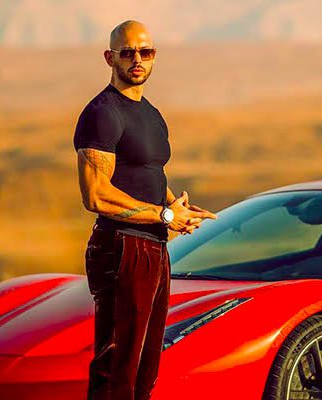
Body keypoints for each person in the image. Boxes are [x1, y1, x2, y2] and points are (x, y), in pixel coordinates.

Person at [73, 20, 217, 400]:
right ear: (110, 58)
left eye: (146, 52)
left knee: (145, 367)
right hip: (122, 246)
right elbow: (96, 195)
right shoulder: (102, 113)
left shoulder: (151, 113)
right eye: (128, 52)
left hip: (154, 246)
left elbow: (148, 172)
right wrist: (164, 216)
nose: (137, 60)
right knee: (117, 367)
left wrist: (174, 206)